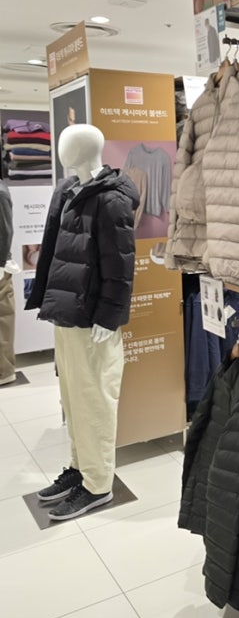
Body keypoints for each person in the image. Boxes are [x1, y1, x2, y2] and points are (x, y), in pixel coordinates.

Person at [26, 124, 138, 521]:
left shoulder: (111, 200)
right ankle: (80, 467)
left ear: (88, 149)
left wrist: (109, 316)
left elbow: (121, 267)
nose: (61, 147)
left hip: (93, 322)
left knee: (94, 403)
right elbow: (52, 253)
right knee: (73, 400)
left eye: (69, 142)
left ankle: (98, 484)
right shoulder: (68, 190)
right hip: (67, 314)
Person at [0, 181, 17, 386]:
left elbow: (6, 232)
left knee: (3, 320)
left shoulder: (1, 193)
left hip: (0, 267)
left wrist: (1, 263)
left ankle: (4, 371)